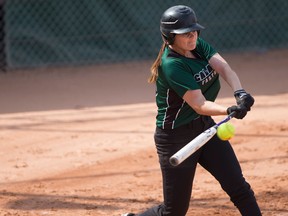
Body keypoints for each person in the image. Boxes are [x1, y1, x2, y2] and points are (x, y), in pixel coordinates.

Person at [122, 5, 261, 216]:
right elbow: (199, 104)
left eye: (194, 31)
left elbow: (224, 68)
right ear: (169, 38)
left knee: (239, 187)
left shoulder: (197, 46)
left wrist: (240, 93)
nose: (192, 36)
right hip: (176, 137)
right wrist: (229, 109)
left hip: (204, 128)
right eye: (185, 34)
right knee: (174, 212)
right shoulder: (172, 65)